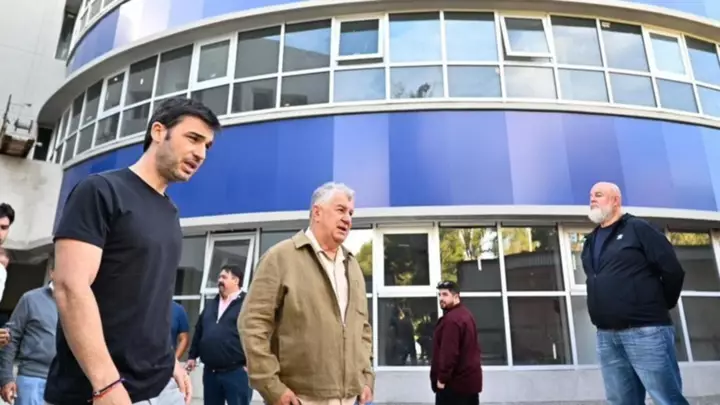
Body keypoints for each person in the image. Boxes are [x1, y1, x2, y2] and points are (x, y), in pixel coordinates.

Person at [45, 97, 220, 405]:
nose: (201, 153)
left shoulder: (170, 212)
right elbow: (70, 288)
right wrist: (105, 385)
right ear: (158, 131)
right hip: (98, 391)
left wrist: (169, 361)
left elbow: (151, 301)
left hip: (161, 387)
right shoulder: (100, 190)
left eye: (207, 146)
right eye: (193, 138)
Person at [239, 182, 374, 405]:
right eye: (340, 210)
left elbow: (364, 329)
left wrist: (367, 377)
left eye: (350, 213)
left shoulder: (352, 266)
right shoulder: (280, 257)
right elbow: (253, 325)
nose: (347, 219)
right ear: (317, 212)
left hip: (351, 398)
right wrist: (272, 388)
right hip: (299, 398)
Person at [582, 181, 688, 405]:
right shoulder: (590, 240)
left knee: (667, 399)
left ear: (615, 200)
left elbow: (672, 270)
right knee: (621, 401)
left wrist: (660, 305)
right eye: (591, 196)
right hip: (607, 336)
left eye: (598, 195)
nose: (592, 199)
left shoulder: (639, 229)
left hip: (646, 332)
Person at [187, 264, 251, 405]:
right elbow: (199, 330)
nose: (219, 280)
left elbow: (255, 334)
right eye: (219, 277)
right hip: (211, 373)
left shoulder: (247, 304)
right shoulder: (211, 304)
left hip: (236, 372)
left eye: (224, 277)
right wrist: (192, 356)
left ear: (236, 280)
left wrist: (251, 362)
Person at [0, 261, 57, 405]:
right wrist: (6, 378)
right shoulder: (30, 299)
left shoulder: (80, 305)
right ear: (52, 272)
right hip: (32, 379)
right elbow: (10, 339)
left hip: (65, 383)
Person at [430, 281, 482, 405]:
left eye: (445, 294)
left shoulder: (452, 320)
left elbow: (449, 353)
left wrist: (441, 379)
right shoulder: (466, 315)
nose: (441, 298)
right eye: (439, 295)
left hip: (454, 387)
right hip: (468, 385)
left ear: (456, 296)